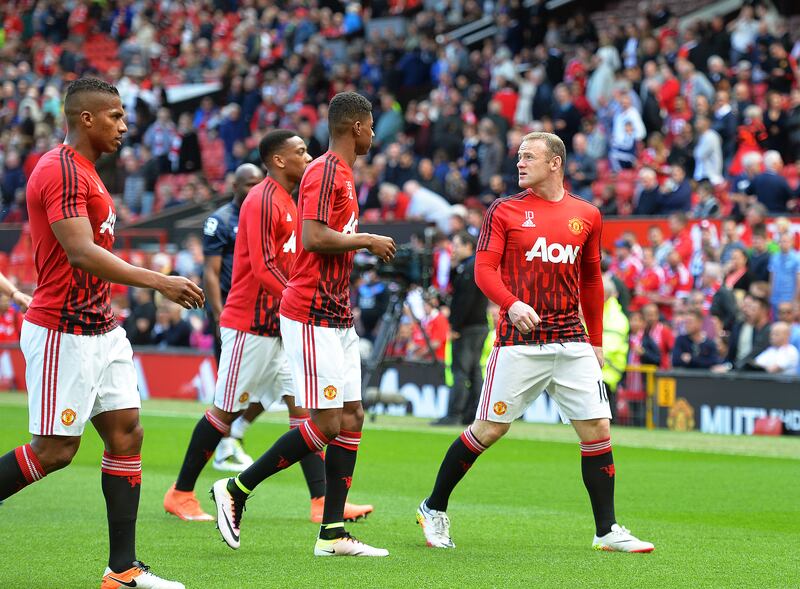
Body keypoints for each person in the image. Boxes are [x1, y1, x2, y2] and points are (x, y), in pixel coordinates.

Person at [0, 78, 204, 589]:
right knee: (54, 452)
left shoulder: (86, 171)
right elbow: (81, 251)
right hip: (63, 332)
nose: (124, 125)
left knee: (126, 434)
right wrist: (160, 281)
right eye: (115, 116)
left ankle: (123, 571)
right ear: (86, 118)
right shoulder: (62, 170)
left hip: (101, 327)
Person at [416, 131, 653, 553]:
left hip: (572, 340)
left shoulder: (587, 214)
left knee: (597, 429)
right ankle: (433, 508)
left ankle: (607, 531)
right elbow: (483, 270)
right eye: (519, 156)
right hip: (518, 343)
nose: (520, 163)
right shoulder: (504, 211)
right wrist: (510, 304)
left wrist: (595, 341)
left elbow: (592, 280)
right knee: (489, 429)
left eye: (529, 156)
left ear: (555, 162)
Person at [210, 92, 396, 557]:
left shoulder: (343, 173)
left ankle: (332, 532)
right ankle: (236, 488)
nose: (373, 135)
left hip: (336, 311)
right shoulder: (327, 169)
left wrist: (358, 248)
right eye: (371, 126)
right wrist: (367, 239)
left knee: (352, 417)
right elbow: (313, 237)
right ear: (357, 127)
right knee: (328, 422)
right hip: (310, 311)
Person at [164, 130, 374, 525]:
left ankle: (321, 502)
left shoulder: (291, 201)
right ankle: (180, 492)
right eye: (300, 152)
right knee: (224, 412)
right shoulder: (261, 199)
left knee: (305, 411)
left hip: (283, 324)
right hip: (251, 324)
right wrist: (299, 298)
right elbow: (262, 268)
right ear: (278, 160)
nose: (308, 156)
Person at [202, 163, 265, 470]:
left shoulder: (267, 214)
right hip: (233, 312)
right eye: (247, 184)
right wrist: (218, 313)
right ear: (234, 187)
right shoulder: (221, 221)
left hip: (263, 315)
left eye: (258, 183)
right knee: (230, 388)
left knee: (271, 388)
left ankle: (233, 436)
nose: (253, 189)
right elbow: (211, 273)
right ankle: (223, 448)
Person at [434, 231, 488, 426]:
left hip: (467, 327)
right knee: (473, 371)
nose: (453, 249)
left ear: (468, 246)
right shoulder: (469, 266)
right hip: (478, 325)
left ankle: (454, 414)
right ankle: (473, 415)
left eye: (456, 245)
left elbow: (464, 301)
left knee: (460, 370)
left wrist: (455, 326)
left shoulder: (469, 268)